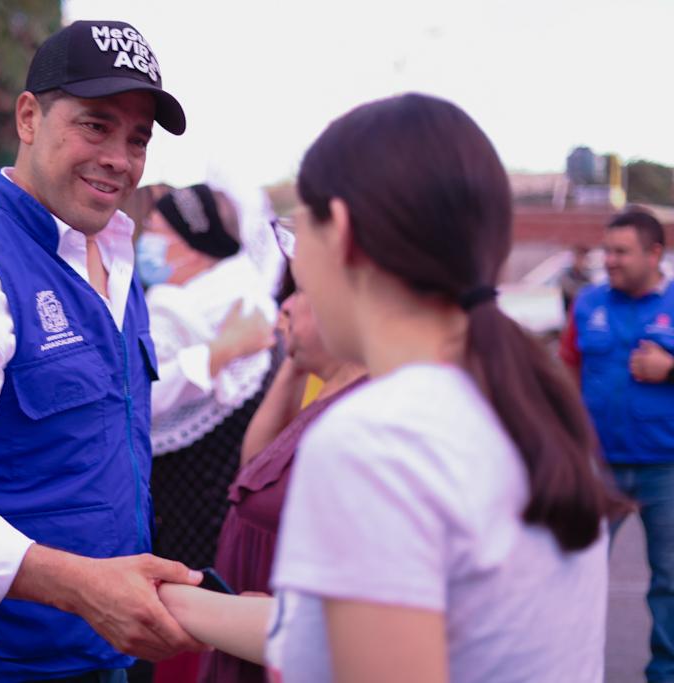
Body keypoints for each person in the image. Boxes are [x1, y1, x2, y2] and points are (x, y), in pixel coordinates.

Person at [157, 93, 621, 683]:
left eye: (296, 232)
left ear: (342, 234)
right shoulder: (527, 404)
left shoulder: (373, 440)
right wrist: (178, 602)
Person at [0, 20, 203, 683]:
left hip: (95, 651)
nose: (120, 157)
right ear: (28, 116)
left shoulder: (115, 256)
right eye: (95, 125)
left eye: (138, 138)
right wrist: (85, 586)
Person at [199, 276, 365, 683]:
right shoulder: (329, 388)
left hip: (284, 638)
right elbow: (255, 468)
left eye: (302, 290)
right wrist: (294, 364)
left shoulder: (364, 406)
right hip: (256, 630)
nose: (285, 305)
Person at [138, 183, 277, 571]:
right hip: (218, 500)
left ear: (190, 241)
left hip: (193, 500)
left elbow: (143, 396)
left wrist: (220, 352)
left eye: (153, 228)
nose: (143, 240)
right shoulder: (242, 291)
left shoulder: (180, 311)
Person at [561, 207, 674, 683]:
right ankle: (570, 671)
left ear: (654, 254)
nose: (608, 260)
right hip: (597, 467)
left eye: (620, 251)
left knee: (669, 584)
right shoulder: (587, 303)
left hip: (665, 470)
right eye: (606, 250)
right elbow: (568, 365)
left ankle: (665, 674)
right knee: (573, 578)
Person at [559, 243, 593, 313]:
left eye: (583, 258)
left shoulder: (587, 275)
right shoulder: (567, 275)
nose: (581, 261)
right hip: (571, 314)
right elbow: (573, 292)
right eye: (579, 258)